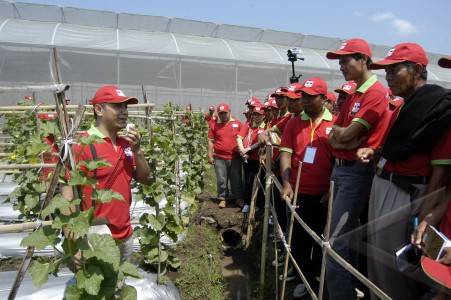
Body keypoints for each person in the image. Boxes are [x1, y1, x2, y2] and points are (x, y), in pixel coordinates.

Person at [356, 43, 451, 299]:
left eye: (394, 69)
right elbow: (393, 149)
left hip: (405, 191)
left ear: (418, 69)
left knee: (392, 267)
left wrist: (424, 213)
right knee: (378, 262)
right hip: (385, 183)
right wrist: (374, 153)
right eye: (386, 70)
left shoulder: (437, 107)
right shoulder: (404, 105)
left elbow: (439, 173)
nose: (387, 76)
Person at [325, 38, 391, 300]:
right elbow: (335, 134)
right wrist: (343, 136)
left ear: (364, 60)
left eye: (346, 60)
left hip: (355, 172)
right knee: (342, 241)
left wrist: (343, 136)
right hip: (341, 169)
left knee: (335, 243)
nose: (341, 66)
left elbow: (346, 134)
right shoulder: (354, 93)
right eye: (339, 61)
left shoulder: (376, 93)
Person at [62, 85, 151, 262]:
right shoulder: (83, 145)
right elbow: (68, 193)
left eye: (125, 107)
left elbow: (145, 179)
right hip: (97, 237)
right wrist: (73, 241)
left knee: (119, 286)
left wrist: (138, 151)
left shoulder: (126, 144)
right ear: (99, 109)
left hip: (125, 233)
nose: (124, 111)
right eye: (117, 106)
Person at [280, 77, 336, 298]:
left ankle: (320, 277)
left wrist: (331, 190)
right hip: (299, 192)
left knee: (322, 239)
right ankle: (306, 277)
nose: (304, 101)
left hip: (325, 195)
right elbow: (286, 152)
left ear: (323, 98)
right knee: (299, 240)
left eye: (310, 97)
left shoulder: (336, 123)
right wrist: (286, 182)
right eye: (303, 96)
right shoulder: (294, 122)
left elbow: (339, 161)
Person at [207, 103, 243, 209]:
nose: (223, 115)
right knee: (221, 179)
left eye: (225, 113)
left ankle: (237, 198)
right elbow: (210, 141)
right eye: (221, 113)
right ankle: (223, 198)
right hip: (219, 157)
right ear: (218, 114)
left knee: (236, 179)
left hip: (235, 157)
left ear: (229, 112)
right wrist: (210, 155)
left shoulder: (237, 123)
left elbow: (242, 137)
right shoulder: (214, 125)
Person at [237, 104, 266, 213]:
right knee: (248, 182)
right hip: (247, 158)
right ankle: (247, 203)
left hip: (258, 160)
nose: (257, 117)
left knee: (260, 183)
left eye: (259, 115)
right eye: (255, 114)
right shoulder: (248, 125)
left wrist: (247, 149)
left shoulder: (264, 127)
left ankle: (258, 205)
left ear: (263, 116)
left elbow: (260, 142)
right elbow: (239, 137)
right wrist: (242, 150)